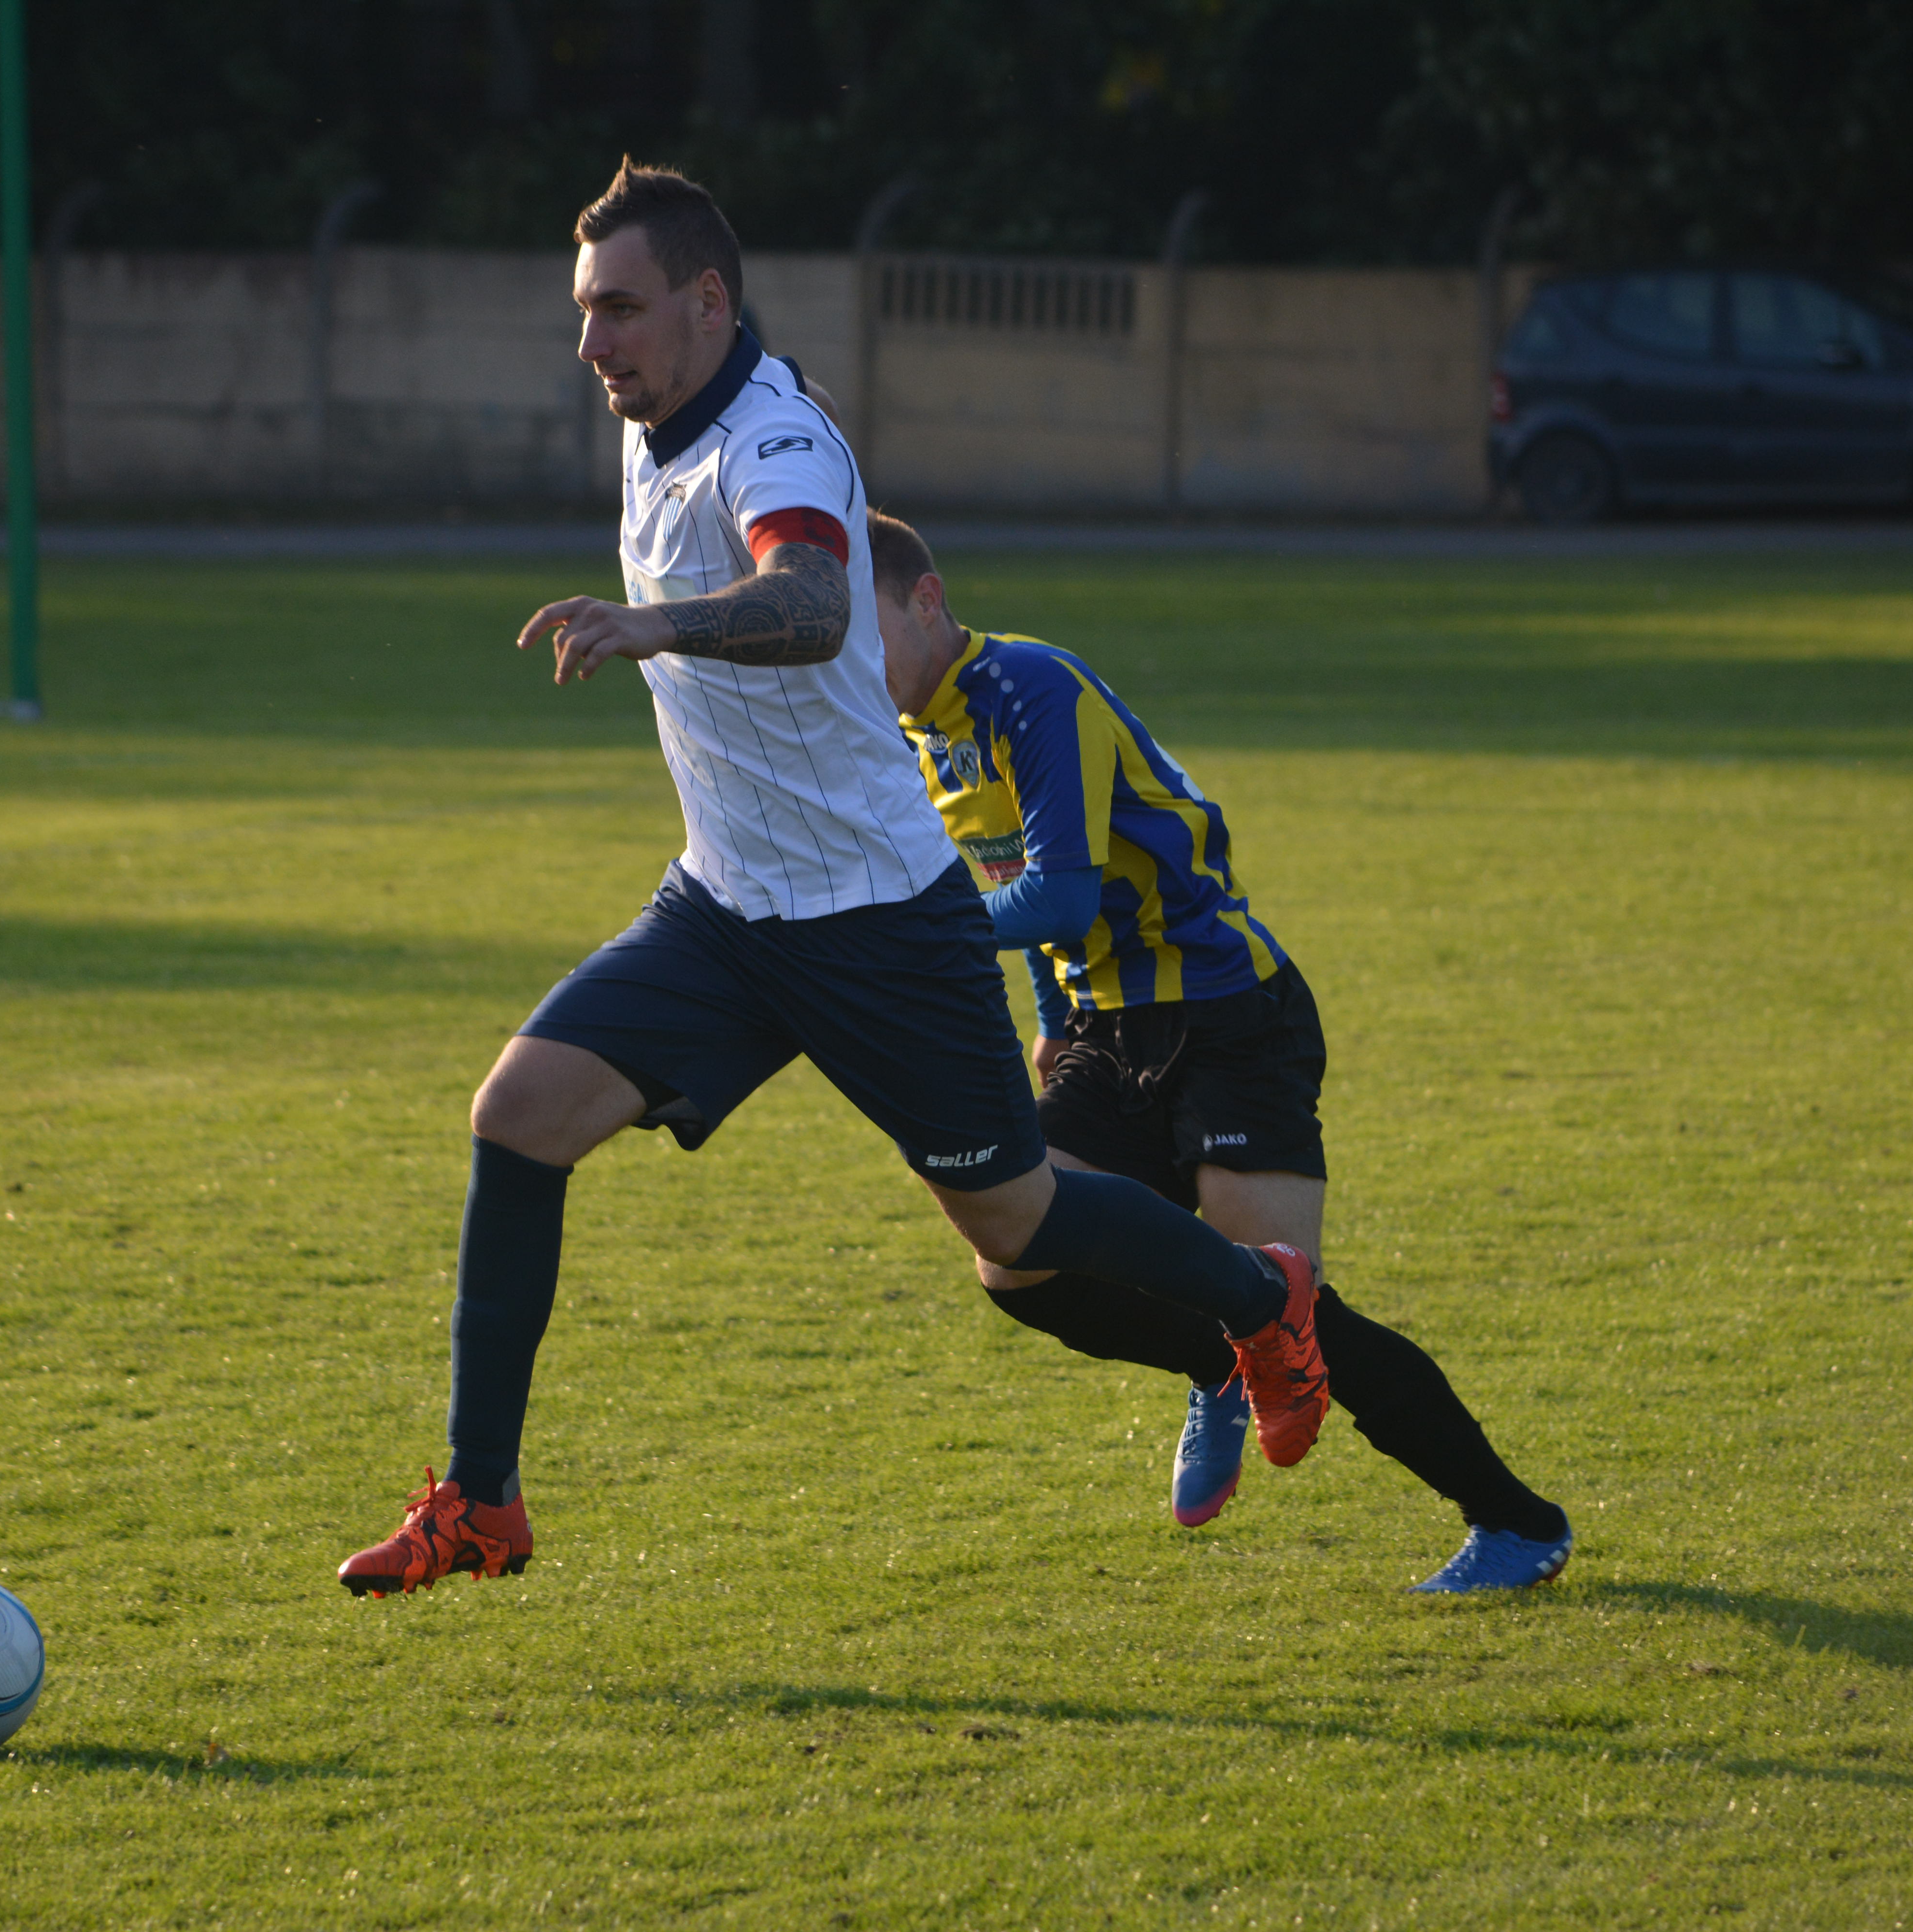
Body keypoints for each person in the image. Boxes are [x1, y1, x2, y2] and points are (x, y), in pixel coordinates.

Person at [335, 161, 1330, 1597]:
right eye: (584, 311)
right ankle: (481, 1504)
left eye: (620, 309)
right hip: (727, 908)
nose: (592, 343)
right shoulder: (665, 414)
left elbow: (809, 603)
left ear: (708, 301)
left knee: (1018, 1222)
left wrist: (652, 624)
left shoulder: (774, 440)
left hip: (878, 920)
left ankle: (1259, 1301)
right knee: (519, 1116)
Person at [864, 509, 1573, 1593]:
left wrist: (911, 929)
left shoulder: (1030, 687)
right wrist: (1051, 1016)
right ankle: (1219, 1360)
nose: (845, 663)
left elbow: (1059, 890)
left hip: (1229, 1013)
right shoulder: (924, 735)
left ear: (926, 600)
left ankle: (1516, 1522)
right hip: (1106, 1031)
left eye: (856, 630)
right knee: (1016, 1256)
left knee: (1298, 1309)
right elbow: (1019, 878)